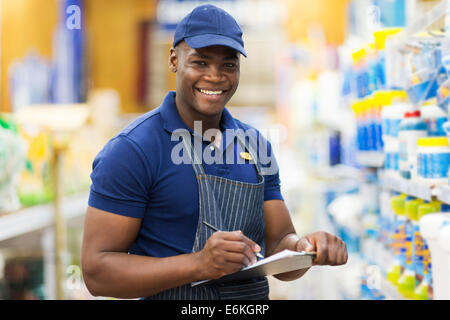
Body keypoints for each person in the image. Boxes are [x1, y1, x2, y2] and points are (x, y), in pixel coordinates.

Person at [81, 4, 348, 300]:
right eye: (200, 62)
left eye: (229, 65)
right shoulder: (133, 150)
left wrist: (305, 248)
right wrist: (199, 264)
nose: (215, 76)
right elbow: (97, 273)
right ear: (173, 60)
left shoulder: (255, 145)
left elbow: (279, 247)